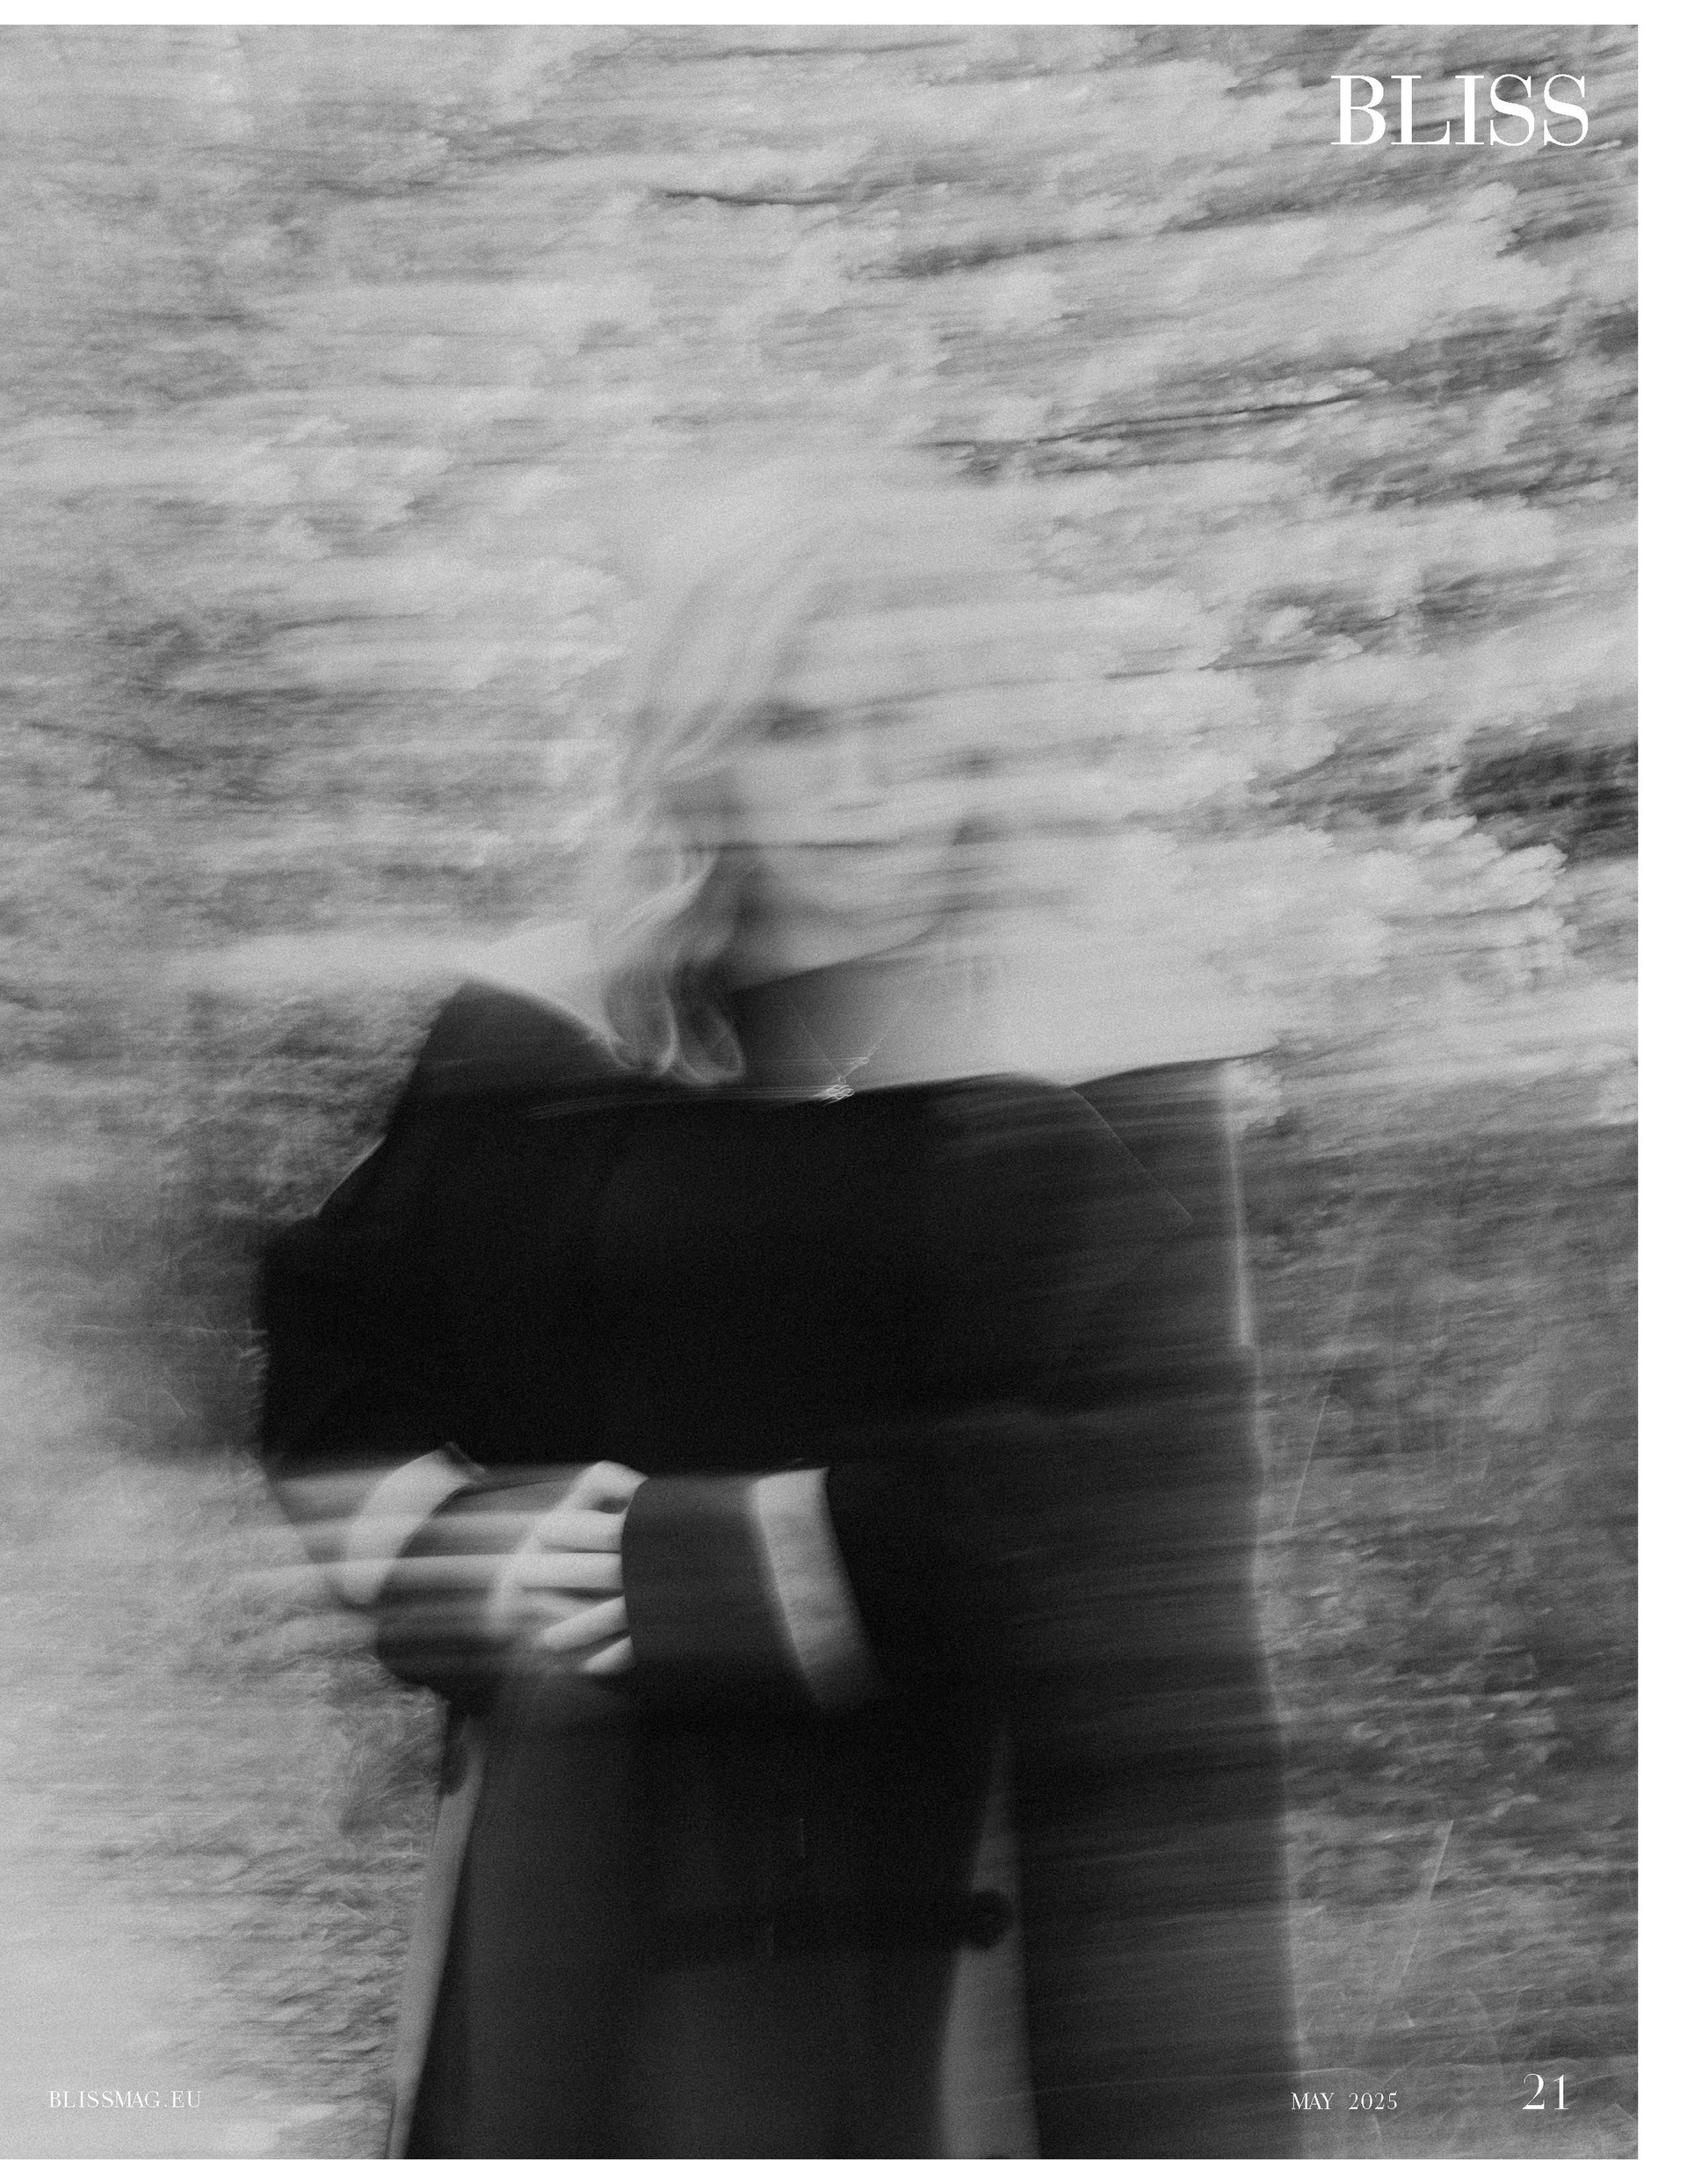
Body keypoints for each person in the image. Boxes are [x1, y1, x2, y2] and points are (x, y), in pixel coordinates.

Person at [256, 465, 1302, 2157]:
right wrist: (476, 1558)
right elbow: (339, 1367)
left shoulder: (1091, 1049)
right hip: (595, 1848)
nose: (865, 786)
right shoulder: (544, 1038)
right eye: (796, 726)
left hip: (972, 1854)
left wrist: (711, 1567)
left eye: (910, 722)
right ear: (702, 746)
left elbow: (1137, 1493)